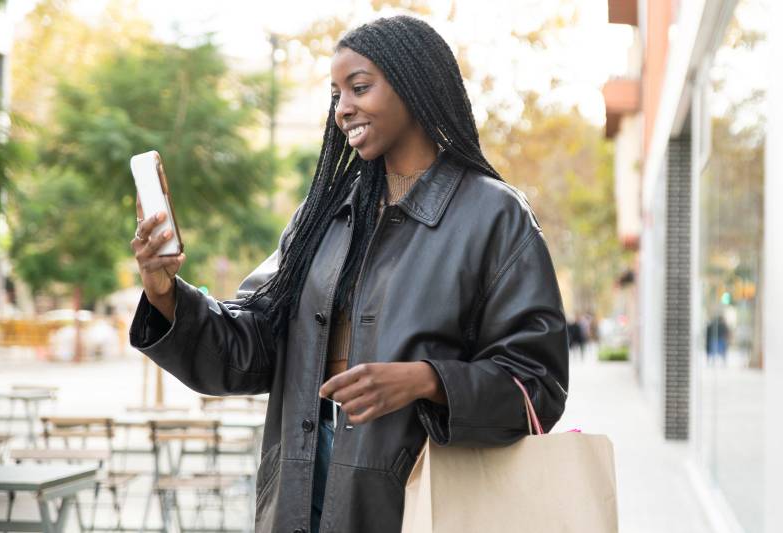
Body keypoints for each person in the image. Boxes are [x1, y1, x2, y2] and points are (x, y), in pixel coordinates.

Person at [130, 15, 569, 533]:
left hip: (416, 505)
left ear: (413, 83)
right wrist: (164, 295)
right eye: (336, 94)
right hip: (299, 498)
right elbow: (250, 348)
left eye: (359, 88)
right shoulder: (325, 214)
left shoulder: (493, 216)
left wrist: (427, 381)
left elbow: (537, 384)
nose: (343, 109)